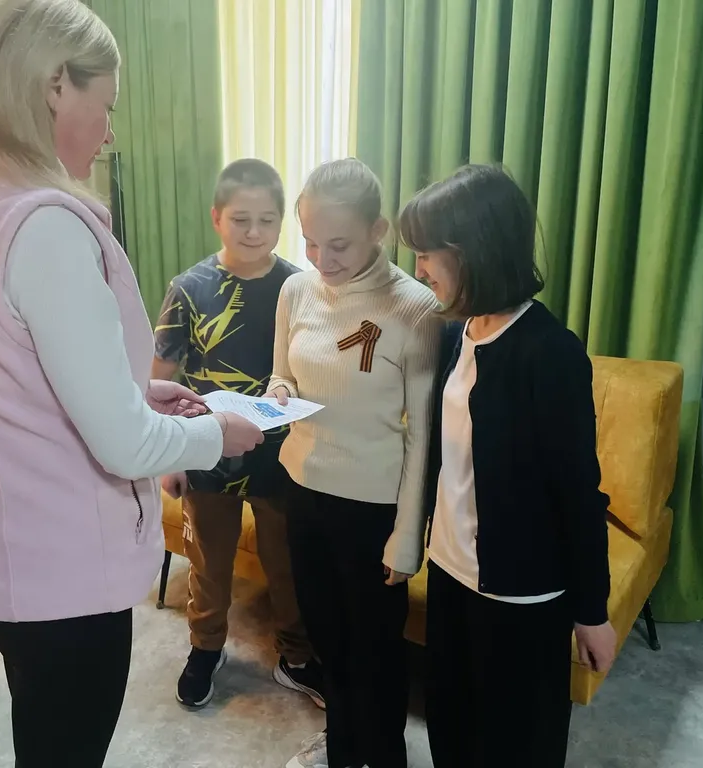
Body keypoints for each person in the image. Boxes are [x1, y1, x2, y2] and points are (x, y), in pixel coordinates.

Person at [0, 1, 264, 765]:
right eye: (106, 106)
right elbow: (125, 445)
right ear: (55, 85)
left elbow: (6, 376)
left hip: (1, 561)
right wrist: (216, 434)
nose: (107, 133)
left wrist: (133, 391)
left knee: (44, 734)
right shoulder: (42, 227)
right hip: (63, 578)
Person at [398, 164, 616, 768]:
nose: (419, 268)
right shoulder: (457, 333)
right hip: (450, 571)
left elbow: (579, 493)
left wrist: (592, 613)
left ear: (473, 250)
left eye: (427, 253)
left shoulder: (550, 353)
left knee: (517, 744)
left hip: (521, 594)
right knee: (451, 727)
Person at [269, 158, 443, 768]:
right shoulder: (296, 291)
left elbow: (424, 435)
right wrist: (278, 392)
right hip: (302, 489)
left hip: (373, 506)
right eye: (310, 242)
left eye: (338, 244)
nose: (322, 258)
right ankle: (343, 745)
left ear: (378, 230)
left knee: (376, 647)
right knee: (327, 638)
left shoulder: (416, 309)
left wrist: (407, 536)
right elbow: (282, 373)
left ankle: (384, 753)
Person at [153, 159, 325, 711]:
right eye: (240, 219)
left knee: (288, 561)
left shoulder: (299, 287)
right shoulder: (189, 288)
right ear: (216, 218)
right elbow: (160, 377)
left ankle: (296, 656)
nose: (254, 232)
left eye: (267, 220)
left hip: (282, 453)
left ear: (282, 222)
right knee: (208, 560)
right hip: (208, 447)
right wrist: (170, 456)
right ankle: (206, 648)